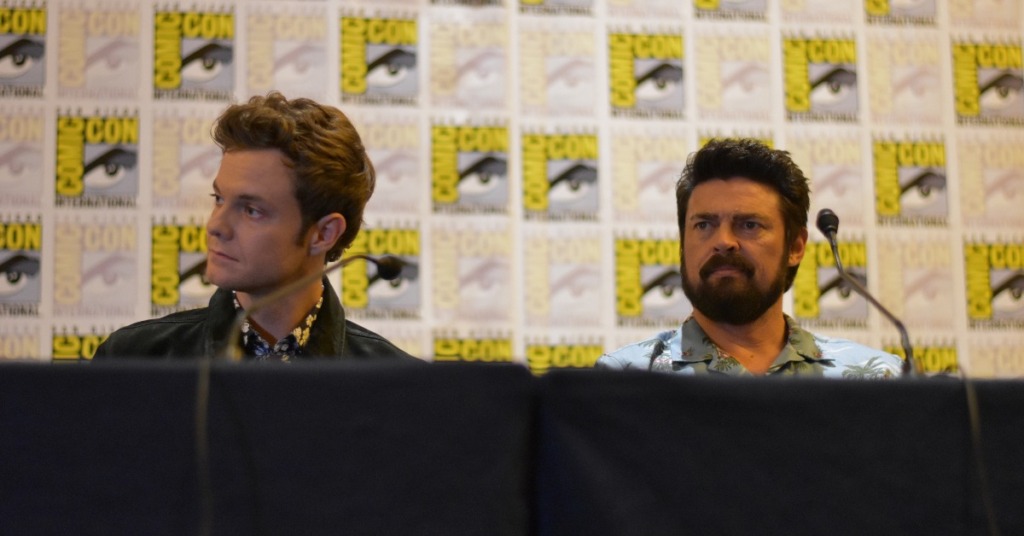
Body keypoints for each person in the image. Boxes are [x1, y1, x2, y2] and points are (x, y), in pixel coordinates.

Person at [94, 92, 415, 362]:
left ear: (323, 233)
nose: (215, 226)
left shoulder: (397, 386)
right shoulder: (134, 360)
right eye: (218, 199)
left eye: (251, 210)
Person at [597, 138, 902, 378]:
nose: (723, 242)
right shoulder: (623, 381)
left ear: (795, 247)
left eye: (749, 225)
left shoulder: (878, 380)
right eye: (704, 225)